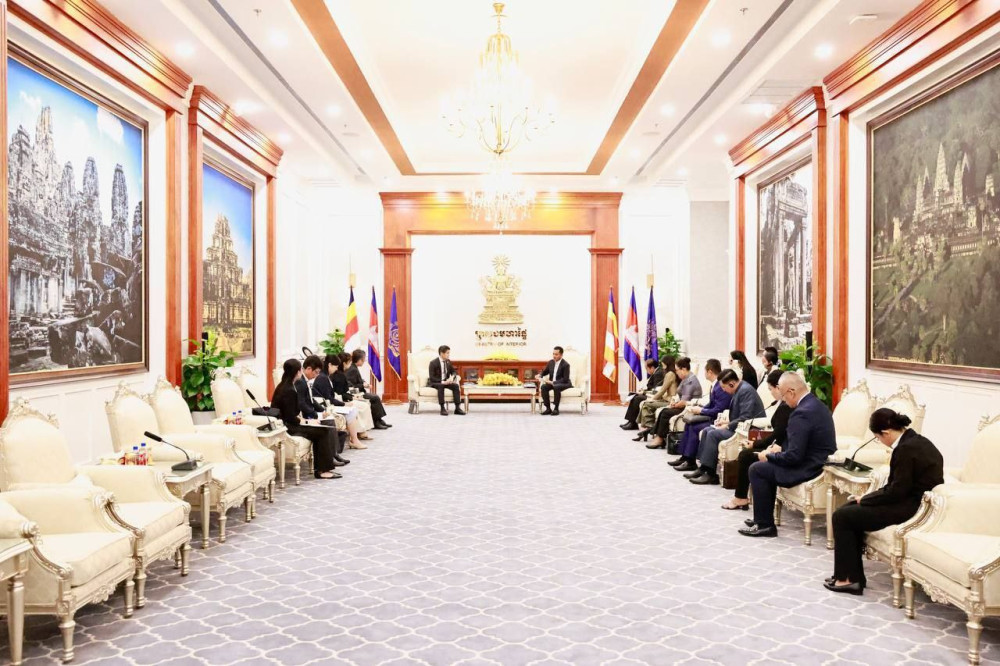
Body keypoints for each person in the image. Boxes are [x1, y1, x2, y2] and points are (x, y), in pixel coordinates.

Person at [826, 409, 944, 595]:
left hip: (911, 507)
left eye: (877, 438)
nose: (879, 442)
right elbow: (896, 488)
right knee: (849, 510)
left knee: (842, 516)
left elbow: (896, 491)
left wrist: (866, 498)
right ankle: (852, 577)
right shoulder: (915, 441)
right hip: (909, 501)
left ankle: (848, 579)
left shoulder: (905, 449)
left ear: (886, 433)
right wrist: (865, 499)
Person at [740, 372, 836, 537]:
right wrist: (780, 449)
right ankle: (762, 517)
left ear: (791, 392)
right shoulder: (816, 404)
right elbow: (803, 443)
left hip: (808, 467)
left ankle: (764, 525)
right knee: (765, 466)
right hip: (817, 461)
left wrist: (769, 456)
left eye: (783, 395)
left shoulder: (801, 413)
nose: (783, 400)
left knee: (757, 468)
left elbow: (794, 457)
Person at [721, 369, 792, 510]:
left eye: (770, 389)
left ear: (779, 388)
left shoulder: (786, 407)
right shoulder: (782, 404)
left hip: (782, 449)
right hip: (778, 445)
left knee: (746, 455)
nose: (770, 393)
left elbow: (778, 434)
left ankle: (740, 498)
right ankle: (741, 497)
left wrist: (756, 444)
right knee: (746, 454)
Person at [688, 369, 766, 485]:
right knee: (707, 430)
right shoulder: (740, 389)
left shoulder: (745, 391)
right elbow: (740, 415)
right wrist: (726, 422)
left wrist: (728, 426)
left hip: (746, 430)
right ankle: (703, 468)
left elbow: (746, 417)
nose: (724, 390)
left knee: (713, 434)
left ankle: (710, 474)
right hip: (738, 426)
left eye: (724, 387)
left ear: (731, 384)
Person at [271, 358, 340, 479]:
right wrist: (308, 421)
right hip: (287, 427)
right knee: (323, 432)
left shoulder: (284, 386)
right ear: (297, 372)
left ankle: (323, 468)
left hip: (288, 423)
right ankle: (322, 471)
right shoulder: (289, 390)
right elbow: (291, 418)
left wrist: (307, 421)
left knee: (322, 429)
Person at [670, 359, 730, 471]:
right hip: (711, 415)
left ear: (710, 372)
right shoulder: (715, 385)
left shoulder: (720, 386)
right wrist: (701, 409)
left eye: (705, 371)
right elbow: (711, 404)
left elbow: (719, 409)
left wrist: (701, 411)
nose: (704, 373)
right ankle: (685, 457)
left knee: (694, 427)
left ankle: (690, 461)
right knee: (689, 423)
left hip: (717, 419)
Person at [299, 354, 367, 454]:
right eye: (335, 366)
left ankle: (336, 451)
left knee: (352, 410)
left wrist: (321, 411)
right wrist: (318, 413)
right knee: (338, 416)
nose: (316, 375)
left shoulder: (321, 377)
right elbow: (322, 399)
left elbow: (311, 400)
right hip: (324, 405)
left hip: (323, 406)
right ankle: (342, 447)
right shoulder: (317, 379)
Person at [644, 357, 703, 449]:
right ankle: (657, 436)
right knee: (664, 411)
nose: (676, 372)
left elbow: (684, 401)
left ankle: (659, 438)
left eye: (677, 370)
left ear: (683, 369)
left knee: (665, 413)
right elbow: (679, 396)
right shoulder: (686, 378)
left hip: (689, 408)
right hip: (683, 405)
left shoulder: (690, 381)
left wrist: (675, 405)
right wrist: (674, 402)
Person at [315, 354, 374, 445]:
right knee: (352, 410)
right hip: (327, 406)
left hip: (330, 403)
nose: (336, 369)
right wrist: (344, 404)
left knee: (353, 409)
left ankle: (356, 438)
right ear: (330, 365)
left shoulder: (325, 377)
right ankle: (354, 440)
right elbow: (329, 398)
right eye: (335, 366)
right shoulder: (323, 378)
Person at [632, 356, 678, 437]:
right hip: (667, 398)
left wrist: (653, 399)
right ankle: (646, 427)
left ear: (667, 364)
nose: (662, 367)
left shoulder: (670, 374)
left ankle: (649, 427)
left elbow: (662, 390)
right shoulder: (672, 373)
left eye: (663, 365)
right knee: (645, 402)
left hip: (669, 400)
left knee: (646, 404)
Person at [346, 349, 391, 429]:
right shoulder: (352, 369)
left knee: (374, 397)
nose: (364, 361)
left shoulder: (354, 367)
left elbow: (357, 380)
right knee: (375, 398)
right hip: (357, 394)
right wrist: (363, 385)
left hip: (360, 391)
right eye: (363, 360)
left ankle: (379, 420)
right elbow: (351, 385)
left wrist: (363, 383)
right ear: (359, 360)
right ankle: (376, 421)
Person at [620, 359, 664, 430]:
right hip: (650, 394)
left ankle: (633, 423)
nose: (646, 371)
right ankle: (631, 421)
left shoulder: (658, 374)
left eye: (647, 368)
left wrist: (644, 392)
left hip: (653, 396)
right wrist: (643, 390)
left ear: (652, 367)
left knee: (637, 398)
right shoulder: (656, 372)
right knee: (633, 395)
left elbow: (655, 389)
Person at [428, 345, 466, 416]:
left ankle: (457, 408)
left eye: (449, 353)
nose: (449, 355)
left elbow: (453, 371)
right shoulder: (433, 363)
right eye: (447, 353)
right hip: (436, 382)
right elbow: (432, 378)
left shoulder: (448, 361)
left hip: (446, 381)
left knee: (455, 386)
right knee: (441, 386)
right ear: (442, 353)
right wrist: (443, 382)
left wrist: (452, 377)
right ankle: (442, 408)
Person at [539, 346, 572, 415]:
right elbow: (545, 372)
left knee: (556, 386)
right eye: (553, 354)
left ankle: (556, 409)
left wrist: (553, 382)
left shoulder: (566, 365)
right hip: (553, 383)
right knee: (543, 387)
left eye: (556, 354)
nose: (554, 356)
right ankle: (548, 409)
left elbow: (565, 379)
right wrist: (540, 375)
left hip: (564, 383)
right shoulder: (551, 362)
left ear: (561, 355)